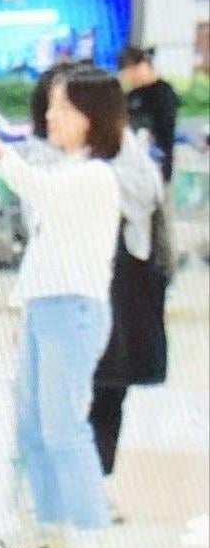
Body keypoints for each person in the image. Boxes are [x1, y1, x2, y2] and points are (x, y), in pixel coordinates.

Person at [0, 67, 124, 548]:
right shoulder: (70, 169)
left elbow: (37, 189)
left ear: (92, 117)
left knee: (63, 424)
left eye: (63, 107)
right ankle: (49, 522)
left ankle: (91, 529)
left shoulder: (94, 176)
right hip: (45, 309)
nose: (51, 115)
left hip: (73, 313)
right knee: (32, 423)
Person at [88, 127, 166, 513]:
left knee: (108, 388)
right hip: (83, 297)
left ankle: (95, 484)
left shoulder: (127, 157)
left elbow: (147, 195)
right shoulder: (62, 158)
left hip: (121, 296)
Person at [118, 46, 180, 184]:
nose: (130, 78)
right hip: (131, 167)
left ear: (143, 66)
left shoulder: (164, 93)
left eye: (132, 72)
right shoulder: (131, 96)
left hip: (156, 166)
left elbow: (164, 128)